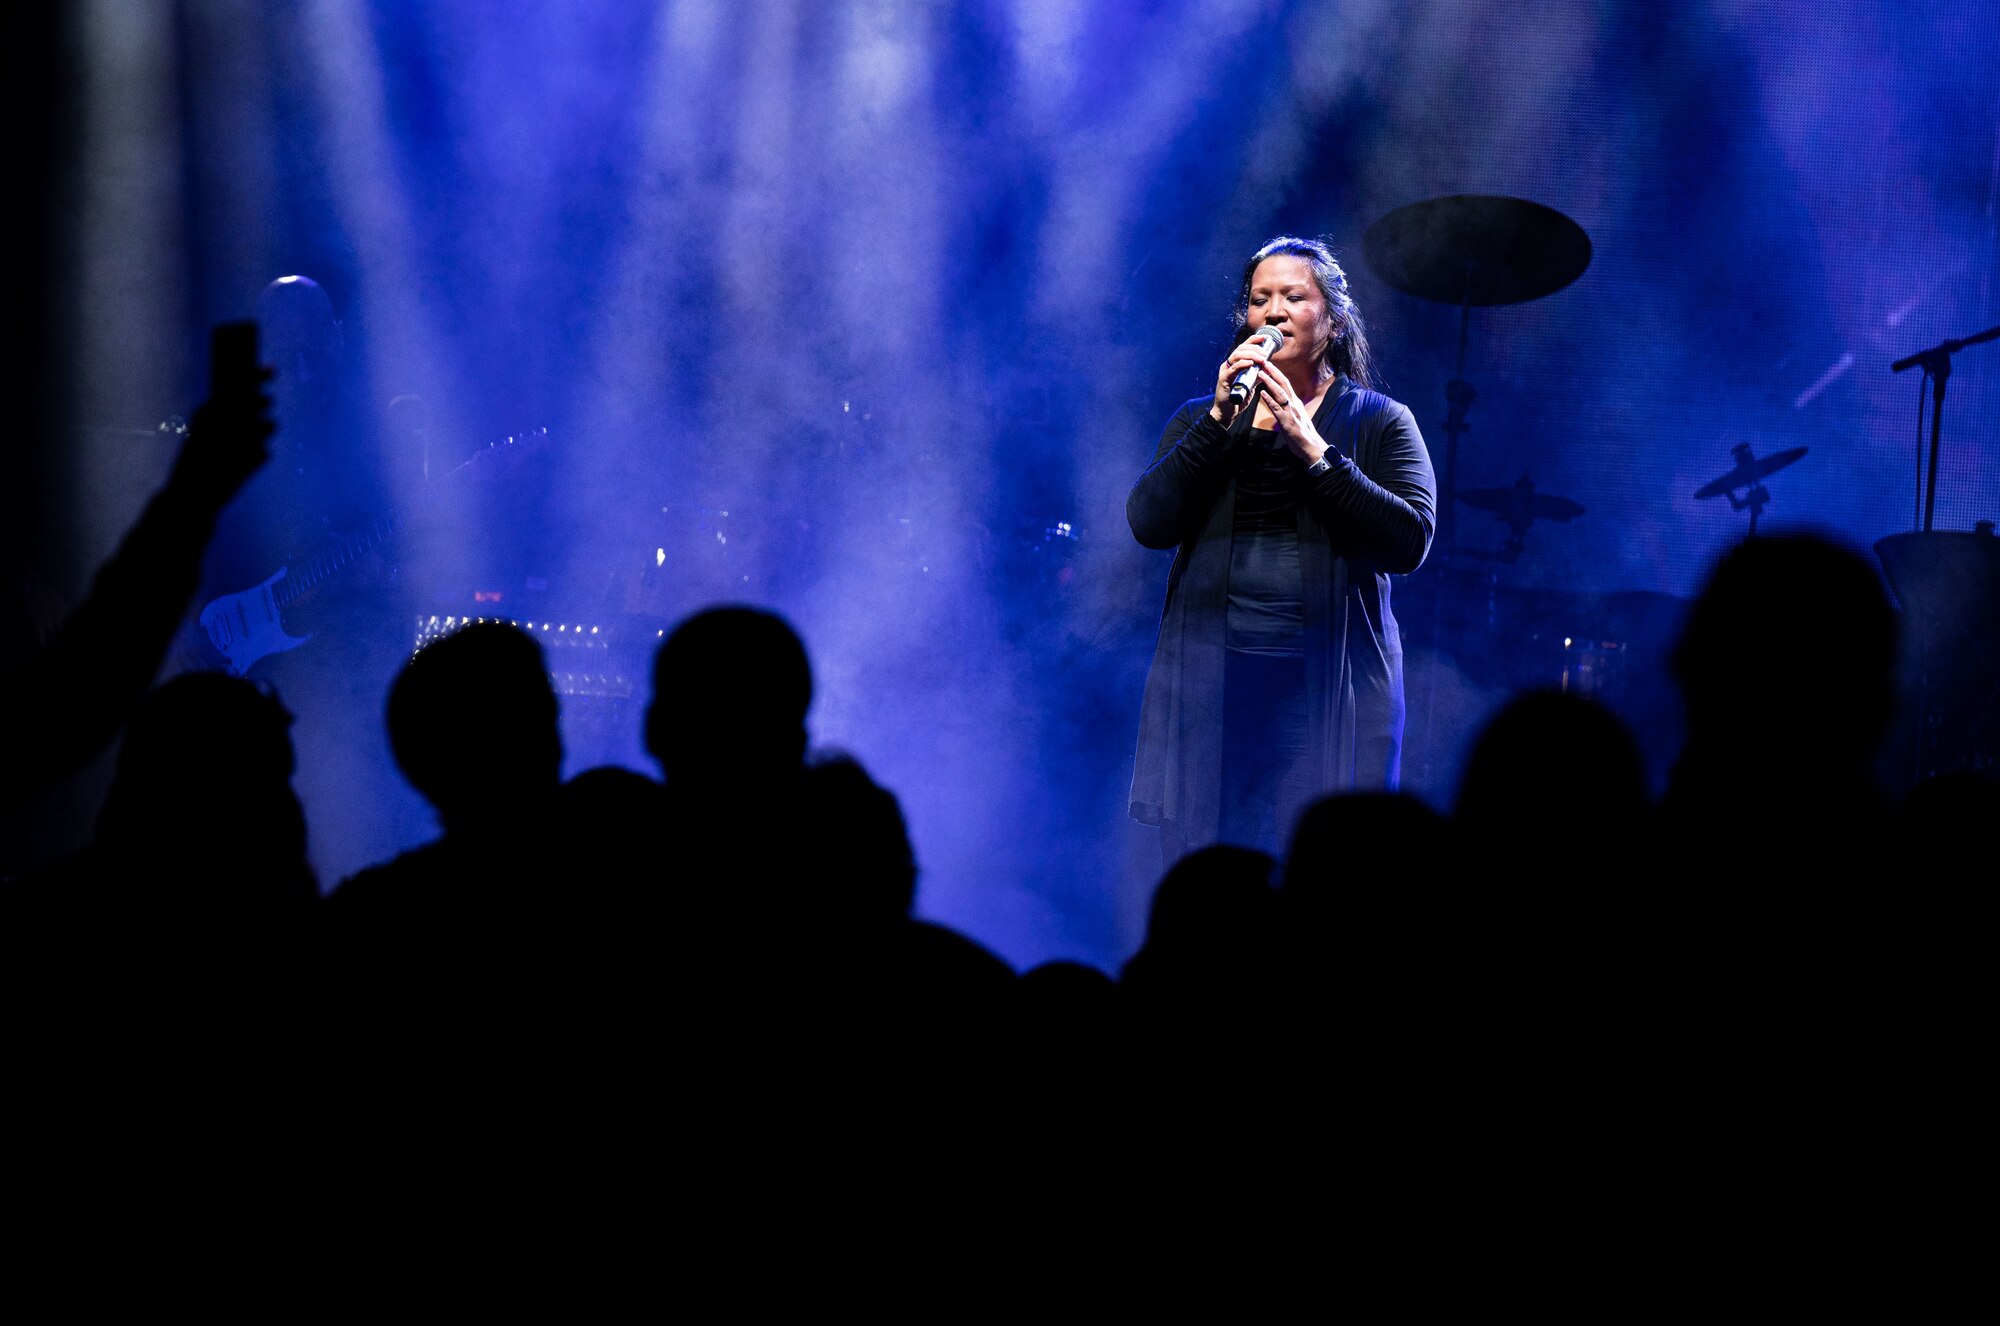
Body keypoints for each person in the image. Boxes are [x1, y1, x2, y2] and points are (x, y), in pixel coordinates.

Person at [1127, 236, 1436, 861]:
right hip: (1213, 682)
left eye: (1294, 297)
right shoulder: (1201, 420)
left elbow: (1410, 541)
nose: (1272, 313)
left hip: (1323, 683)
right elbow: (1148, 522)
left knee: (1314, 859)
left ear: (1333, 319)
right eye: (1260, 299)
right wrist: (1217, 424)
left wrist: (1315, 451)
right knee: (1211, 860)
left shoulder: (1380, 421)